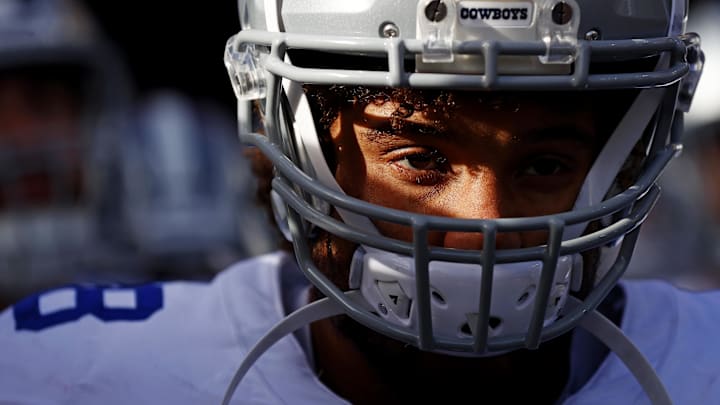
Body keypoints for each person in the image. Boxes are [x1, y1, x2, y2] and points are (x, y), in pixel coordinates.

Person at [0, 0, 716, 404]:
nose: (484, 226)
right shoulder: (82, 378)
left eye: (546, 163)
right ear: (276, 138)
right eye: (420, 158)